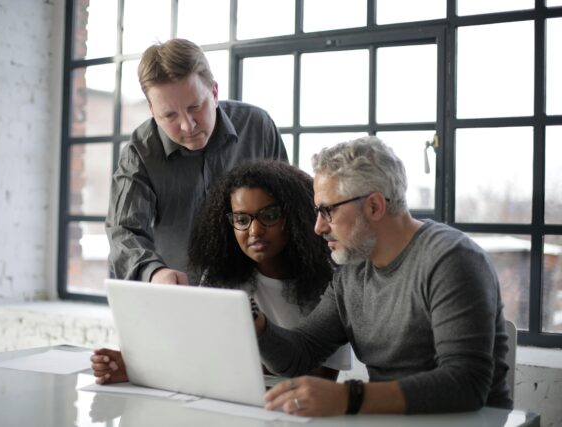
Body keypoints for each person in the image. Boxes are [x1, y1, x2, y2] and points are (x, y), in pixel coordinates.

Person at [258, 136, 512, 416]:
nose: (318, 227)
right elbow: (301, 353)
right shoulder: (352, 270)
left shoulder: (451, 258)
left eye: (327, 211)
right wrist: (257, 326)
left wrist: (348, 397)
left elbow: (466, 384)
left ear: (374, 206)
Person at [91, 160, 352, 384]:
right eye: (241, 219)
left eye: (269, 215)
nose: (254, 231)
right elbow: (194, 351)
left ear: (295, 217)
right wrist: (137, 368)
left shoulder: (329, 283)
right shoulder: (221, 277)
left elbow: (319, 378)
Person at [106, 38, 288, 285]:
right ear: (152, 110)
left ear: (214, 92)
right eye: (169, 115)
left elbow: (289, 207)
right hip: (179, 295)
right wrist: (154, 272)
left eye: (195, 107)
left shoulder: (258, 126)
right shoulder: (139, 152)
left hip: (263, 290)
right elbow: (123, 231)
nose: (187, 125)